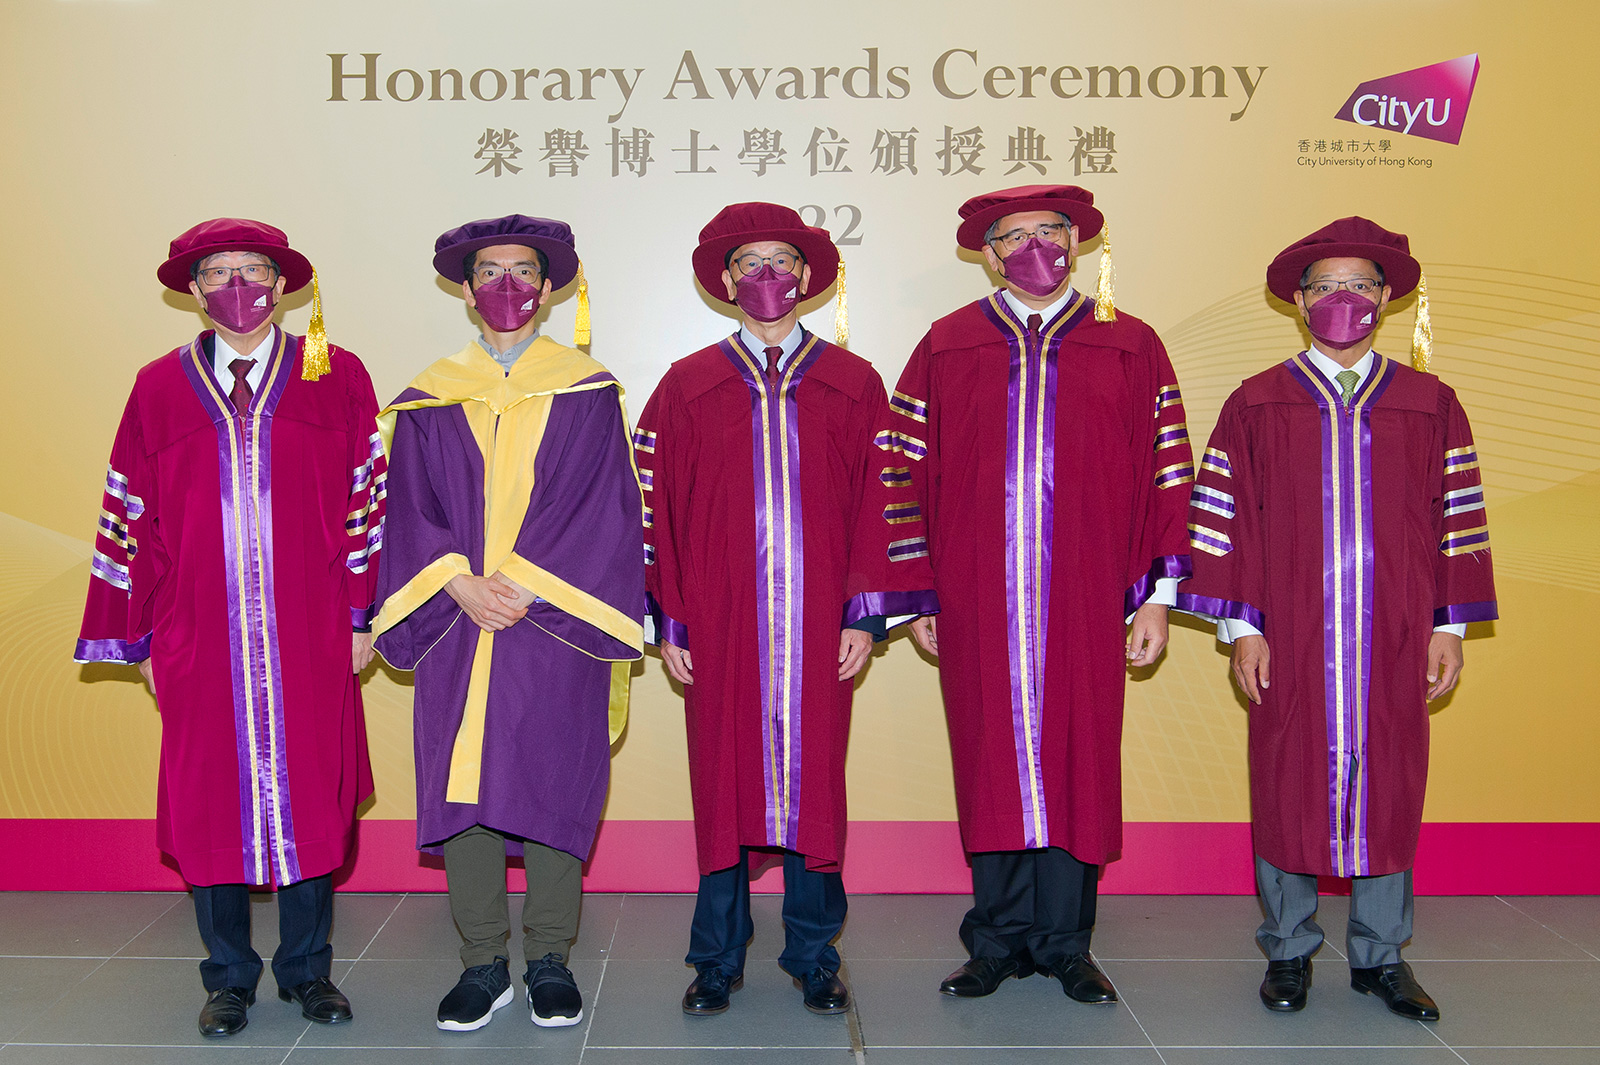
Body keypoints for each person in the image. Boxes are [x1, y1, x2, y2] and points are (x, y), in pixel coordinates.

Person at [1177, 216, 1498, 1021]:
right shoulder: (1258, 402)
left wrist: (1448, 625)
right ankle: (1288, 950)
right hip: (1291, 633)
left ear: (1387, 297)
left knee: (1390, 783)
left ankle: (1381, 957)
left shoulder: (1430, 403)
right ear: (1298, 301)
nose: (1341, 298)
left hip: (1392, 633)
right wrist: (1240, 627)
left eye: (1358, 284)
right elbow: (1225, 523)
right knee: (1286, 781)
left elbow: (1458, 517)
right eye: (1324, 286)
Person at [75, 217, 381, 1037]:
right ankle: (228, 977)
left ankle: (308, 971)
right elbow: (128, 513)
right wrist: (137, 633)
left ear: (284, 286)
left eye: (253, 270)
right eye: (219, 272)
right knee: (210, 799)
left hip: (308, 628)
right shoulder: (158, 386)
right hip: (198, 631)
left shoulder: (334, 374)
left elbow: (366, 500)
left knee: (311, 795)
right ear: (194, 289)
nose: (238, 286)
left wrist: (361, 613)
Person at [888, 185, 1194, 1003]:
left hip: (1086, 595)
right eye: (1012, 236)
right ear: (985, 253)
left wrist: (1157, 594)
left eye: (1048, 231)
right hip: (977, 593)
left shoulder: (1129, 345)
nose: (1032, 247)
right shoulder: (948, 345)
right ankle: (993, 939)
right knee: (991, 755)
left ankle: (1066, 941)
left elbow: (1167, 475)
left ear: (1077, 239)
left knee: (1077, 758)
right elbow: (904, 473)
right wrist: (919, 590)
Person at [637, 202, 939, 1017]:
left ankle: (813, 951)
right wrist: (672, 620)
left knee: (815, 789)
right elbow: (654, 508)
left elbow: (884, 506)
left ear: (806, 277)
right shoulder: (688, 385)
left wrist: (863, 616)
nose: (766, 276)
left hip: (816, 627)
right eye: (749, 262)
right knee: (722, 783)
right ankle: (716, 955)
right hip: (722, 623)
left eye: (781, 260)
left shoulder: (852, 382)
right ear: (727, 279)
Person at [372, 214, 643, 1033]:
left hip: (553, 618)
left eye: (524, 270)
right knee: (465, 788)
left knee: (554, 775)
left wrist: (517, 583)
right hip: (459, 618)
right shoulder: (429, 395)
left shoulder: (587, 389)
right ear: (463, 288)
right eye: (489, 271)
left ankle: (551, 957)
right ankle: (483, 959)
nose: (507, 287)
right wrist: (457, 581)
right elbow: (407, 510)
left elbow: (601, 508)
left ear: (550, 286)